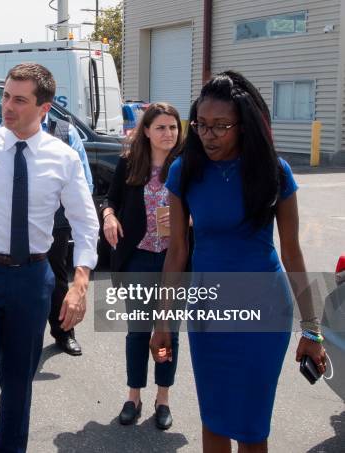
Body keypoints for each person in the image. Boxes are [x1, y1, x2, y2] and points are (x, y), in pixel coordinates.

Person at [150, 71, 326, 452]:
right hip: (207, 312)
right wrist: (162, 321)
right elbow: (177, 251)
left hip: (263, 313)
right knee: (213, 419)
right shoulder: (185, 171)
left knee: (250, 427)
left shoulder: (275, 173)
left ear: (244, 126)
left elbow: (293, 252)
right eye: (201, 126)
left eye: (220, 127)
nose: (207, 136)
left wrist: (311, 330)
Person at [0, 63, 99, 453]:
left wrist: (79, 282)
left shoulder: (63, 158)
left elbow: (84, 222)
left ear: (44, 108)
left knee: (18, 384)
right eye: (6, 96)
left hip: (31, 279)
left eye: (19, 100)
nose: (7, 106)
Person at [101, 102, 183, 430]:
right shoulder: (130, 163)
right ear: (146, 131)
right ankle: (133, 395)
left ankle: (163, 398)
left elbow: (202, 209)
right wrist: (108, 216)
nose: (168, 134)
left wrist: (187, 219)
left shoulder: (186, 167)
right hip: (138, 257)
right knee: (138, 332)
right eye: (161, 127)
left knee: (169, 333)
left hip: (174, 260)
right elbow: (111, 199)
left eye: (173, 127)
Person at [42, 112, 94, 356]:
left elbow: (84, 179)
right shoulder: (7, 128)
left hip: (57, 220)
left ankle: (64, 332)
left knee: (57, 277)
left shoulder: (65, 131)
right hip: (19, 222)